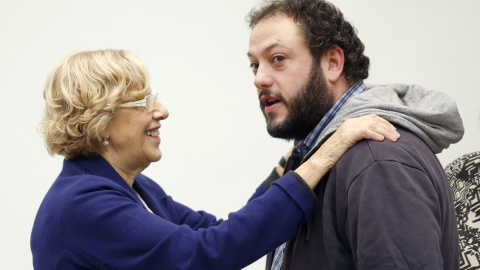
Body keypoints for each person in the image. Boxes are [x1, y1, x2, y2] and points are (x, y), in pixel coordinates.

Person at [30, 49, 399, 270]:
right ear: (101, 121)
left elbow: (221, 232)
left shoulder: (136, 189)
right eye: (143, 101)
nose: (161, 111)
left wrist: (289, 164)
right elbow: (208, 255)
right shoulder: (84, 204)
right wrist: (323, 157)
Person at [246, 0, 464, 269]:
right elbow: (218, 239)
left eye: (277, 59)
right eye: (254, 65)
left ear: (333, 63)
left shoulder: (378, 162)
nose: (259, 79)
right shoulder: (311, 158)